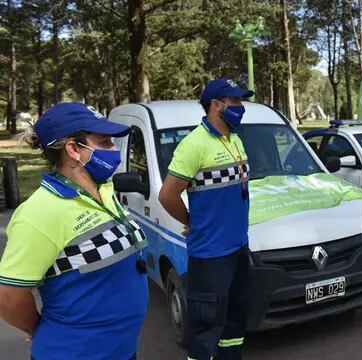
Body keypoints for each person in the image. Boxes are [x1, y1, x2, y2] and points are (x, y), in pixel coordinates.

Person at [0, 103, 148, 360]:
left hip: (121, 350)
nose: (115, 151)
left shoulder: (104, 191)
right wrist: (37, 328)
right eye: (105, 142)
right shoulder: (40, 213)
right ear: (73, 149)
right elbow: (9, 297)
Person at [159, 77, 252, 360]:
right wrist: (191, 220)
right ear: (216, 105)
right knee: (205, 327)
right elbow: (167, 195)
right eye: (235, 101)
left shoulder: (234, 139)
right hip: (211, 253)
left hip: (238, 247)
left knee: (235, 320)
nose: (240, 106)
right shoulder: (193, 145)